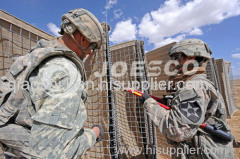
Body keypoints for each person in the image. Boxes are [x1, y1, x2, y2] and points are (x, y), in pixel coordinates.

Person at [0, 8, 104, 159]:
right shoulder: (67, 73)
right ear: (83, 39)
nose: (91, 53)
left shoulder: (33, 57)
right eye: (93, 46)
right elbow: (51, 153)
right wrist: (93, 134)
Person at [140, 39, 234, 158]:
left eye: (176, 57)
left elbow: (177, 130)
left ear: (191, 57)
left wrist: (149, 103)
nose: (173, 63)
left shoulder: (193, 88)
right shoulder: (199, 83)